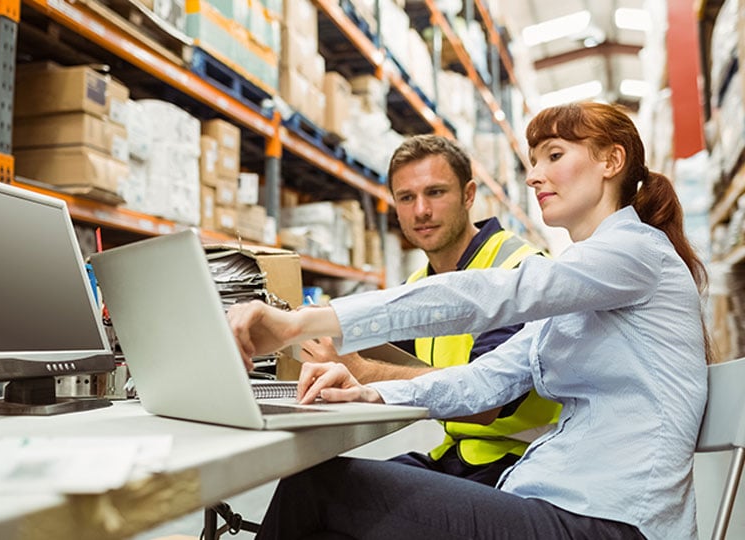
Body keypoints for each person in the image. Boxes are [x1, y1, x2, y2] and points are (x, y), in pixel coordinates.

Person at [229, 102, 711, 539]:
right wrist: (369, 392)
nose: (534, 175)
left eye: (554, 155)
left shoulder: (636, 252)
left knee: (317, 486)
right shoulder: (582, 280)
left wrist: (303, 323)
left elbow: (490, 292)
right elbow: (486, 380)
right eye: (533, 160)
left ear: (611, 161)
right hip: (552, 500)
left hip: (611, 523)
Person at [300, 134, 560, 487]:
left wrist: (361, 371)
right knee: (312, 484)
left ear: (469, 195)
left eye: (435, 192)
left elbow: (484, 404)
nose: (421, 210)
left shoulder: (517, 270)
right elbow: (382, 352)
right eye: (406, 198)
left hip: (520, 465)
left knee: (319, 494)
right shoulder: (420, 284)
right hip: (458, 456)